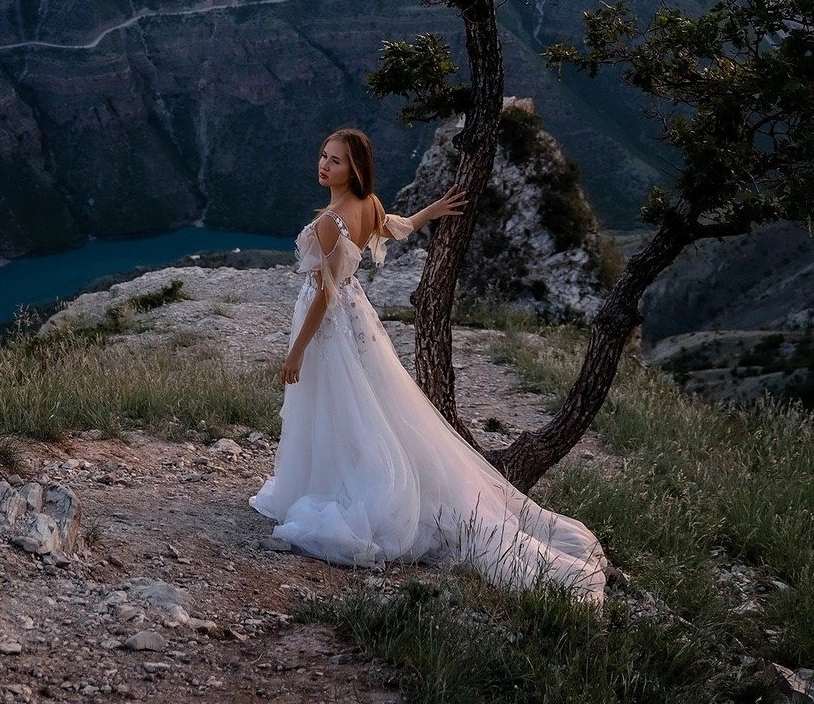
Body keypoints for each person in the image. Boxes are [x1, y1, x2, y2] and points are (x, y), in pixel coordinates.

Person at [250, 127, 608, 602]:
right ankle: (351, 478)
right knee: (366, 404)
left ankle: (347, 488)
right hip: (358, 318)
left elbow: (324, 293)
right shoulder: (368, 204)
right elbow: (392, 226)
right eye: (323, 155)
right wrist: (431, 212)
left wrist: (296, 350)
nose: (324, 165)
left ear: (354, 169)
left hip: (332, 323)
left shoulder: (331, 221)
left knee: (337, 405)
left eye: (335, 160)